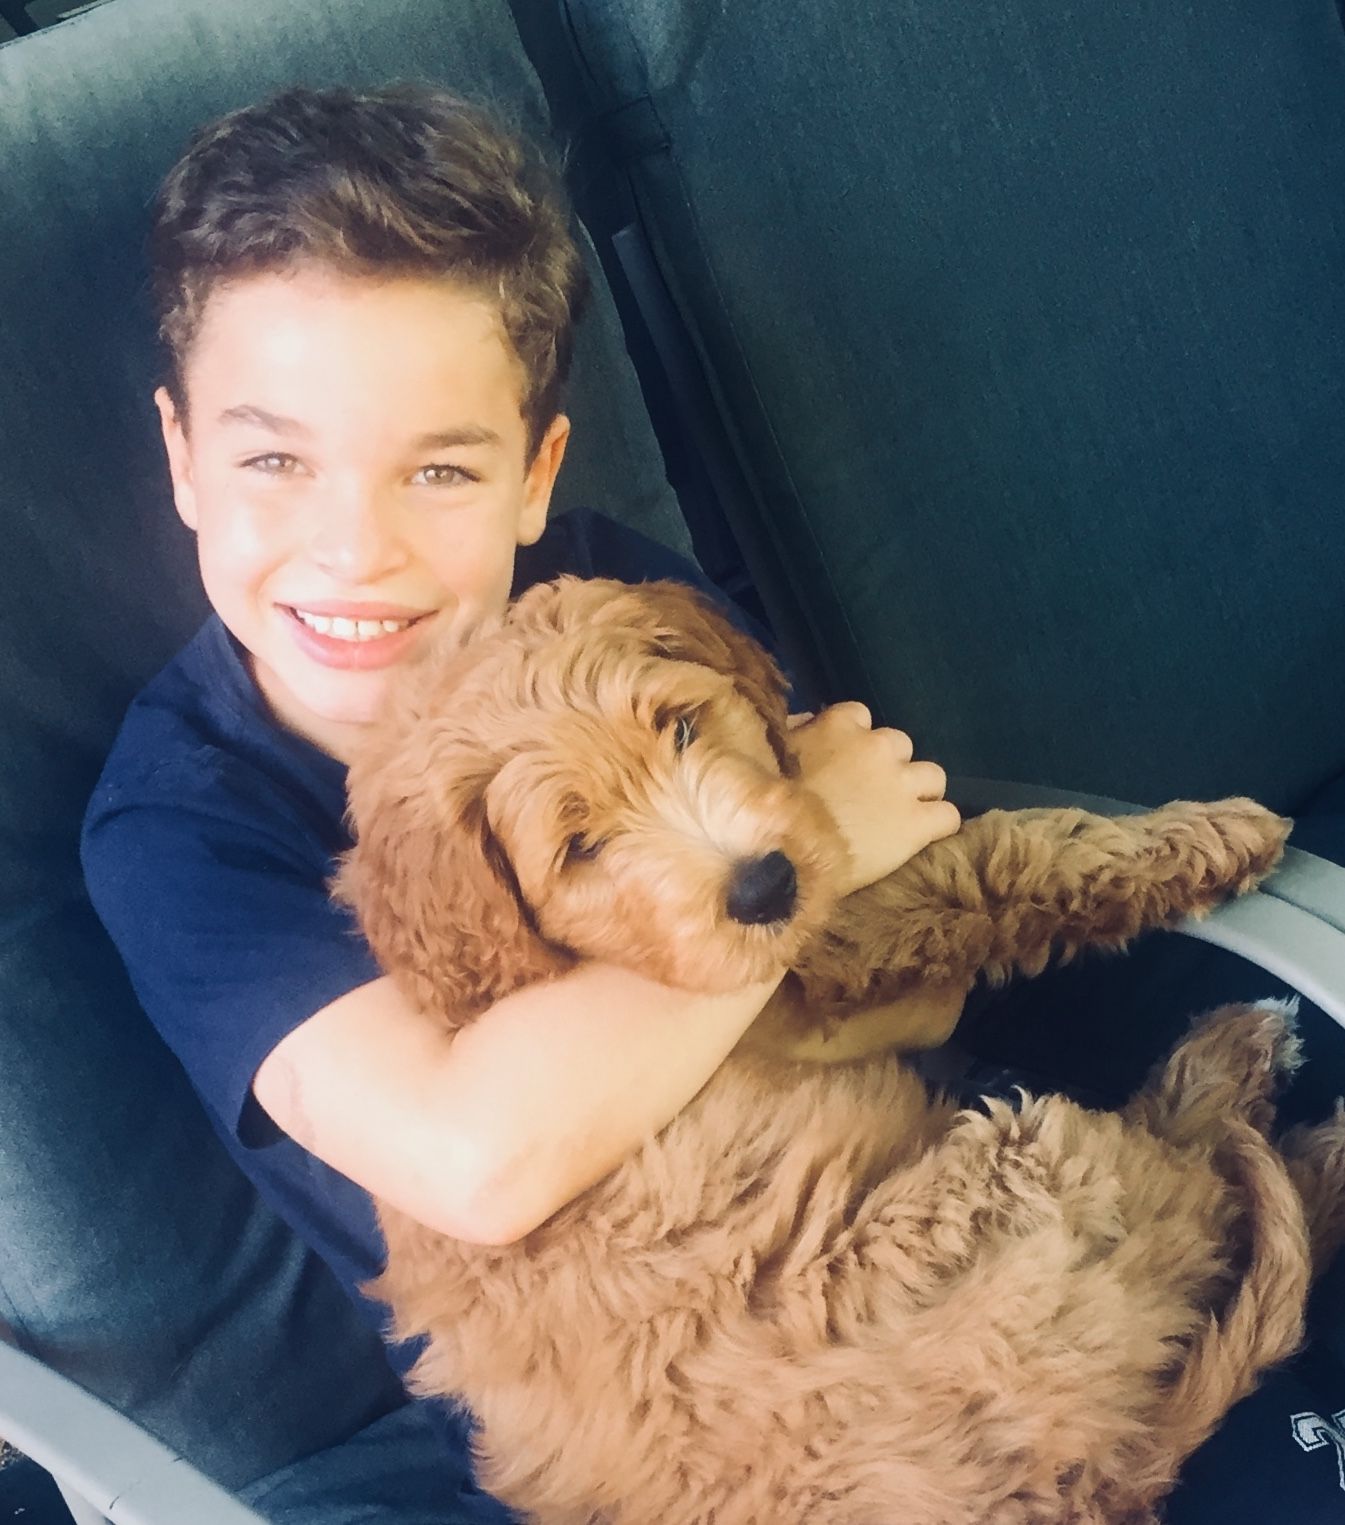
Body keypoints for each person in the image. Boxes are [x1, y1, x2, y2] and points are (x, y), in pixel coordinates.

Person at [78, 82, 960, 1513]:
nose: (353, 551)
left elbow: (916, 992)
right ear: (182, 460)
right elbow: (477, 1159)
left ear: (536, 475)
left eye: (438, 468)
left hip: (906, 1209)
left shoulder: (616, 606)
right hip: (663, 1416)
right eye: (273, 461)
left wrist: (793, 956)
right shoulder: (184, 825)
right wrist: (825, 853)